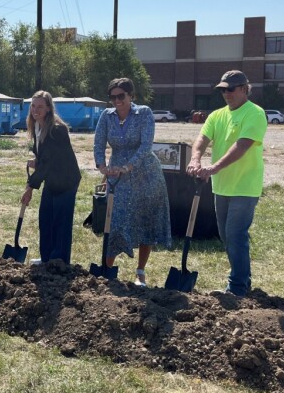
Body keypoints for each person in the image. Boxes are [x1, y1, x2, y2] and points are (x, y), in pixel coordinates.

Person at [187, 70, 267, 297]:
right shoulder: (217, 115)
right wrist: (195, 158)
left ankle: (238, 287)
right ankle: (242, 278)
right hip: (221, 186)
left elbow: (242, 145)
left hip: (245, 186)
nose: (226, 94)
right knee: (225, 235)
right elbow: (202, 138)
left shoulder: (255, 113)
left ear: (243, 88)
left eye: (230, 89)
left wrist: (214, 168)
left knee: (235, 234)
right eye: (222, 90)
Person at [93, 77, 171, 286]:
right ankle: (107, 268)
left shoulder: (143, 113)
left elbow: (146, 146)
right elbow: (98, 143)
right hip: (117, 175)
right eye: (113, 97)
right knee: (115, 219)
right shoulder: (106, 116)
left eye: (121, 96)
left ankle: (140, 271)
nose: (117, 101)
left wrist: (128, 166)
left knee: (146, 220)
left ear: (131, 96)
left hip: (145, 173)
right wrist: (102, 166)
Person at [21, 90, 81, 265]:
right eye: (33, 105)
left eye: (40, 106)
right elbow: (46, 158)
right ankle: (47, 257)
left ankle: (59, 261)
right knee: (45, 219)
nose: (35, 109)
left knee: (61, 223)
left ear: (48, 108)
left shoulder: (57, 129)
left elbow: (49, 162)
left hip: (66, 181)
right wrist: (37, 160)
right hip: (52, 180)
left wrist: (29, 188)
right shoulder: (37, 127)